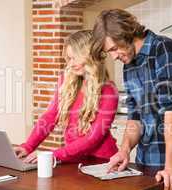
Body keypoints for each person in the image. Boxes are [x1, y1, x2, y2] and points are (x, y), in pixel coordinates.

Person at [91, 9, 172, 190]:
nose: (114, 56)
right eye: (109, 52)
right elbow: (135, 118)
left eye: (114, 48)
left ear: (127, 33)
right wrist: (124, 150)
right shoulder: (129, 65)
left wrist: (171, 168)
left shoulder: (163, 49)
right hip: (144, 161)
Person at [14, 30, 119, 164]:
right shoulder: (66, 81)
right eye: (69, 59)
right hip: (74, 159)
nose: (70, 64)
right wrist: (27, 146)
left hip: (101, 162)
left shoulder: (108, 90)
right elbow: (50, 116)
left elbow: (93, 138)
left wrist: (54, 154)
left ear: (90, 56)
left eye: (74, 58)